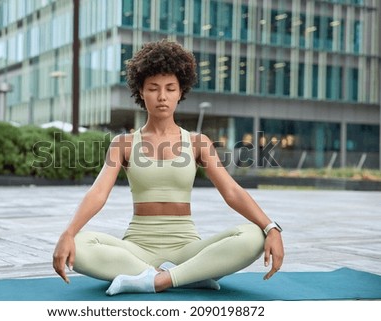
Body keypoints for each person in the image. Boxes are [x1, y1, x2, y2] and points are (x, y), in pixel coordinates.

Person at [52, 39, 284, 296]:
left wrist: (270, 227)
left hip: (187, 249)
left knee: (253, 236)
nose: (162, 96)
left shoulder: (198, 142)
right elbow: (97, 194)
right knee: (81, 243)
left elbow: (232, 191)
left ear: (180, 92)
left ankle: (157, 280)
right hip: (137, 249)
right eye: (153, 88)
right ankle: (189, 276)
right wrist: (68, 232)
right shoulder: (124, 144)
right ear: (141, 91)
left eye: (170, 88)